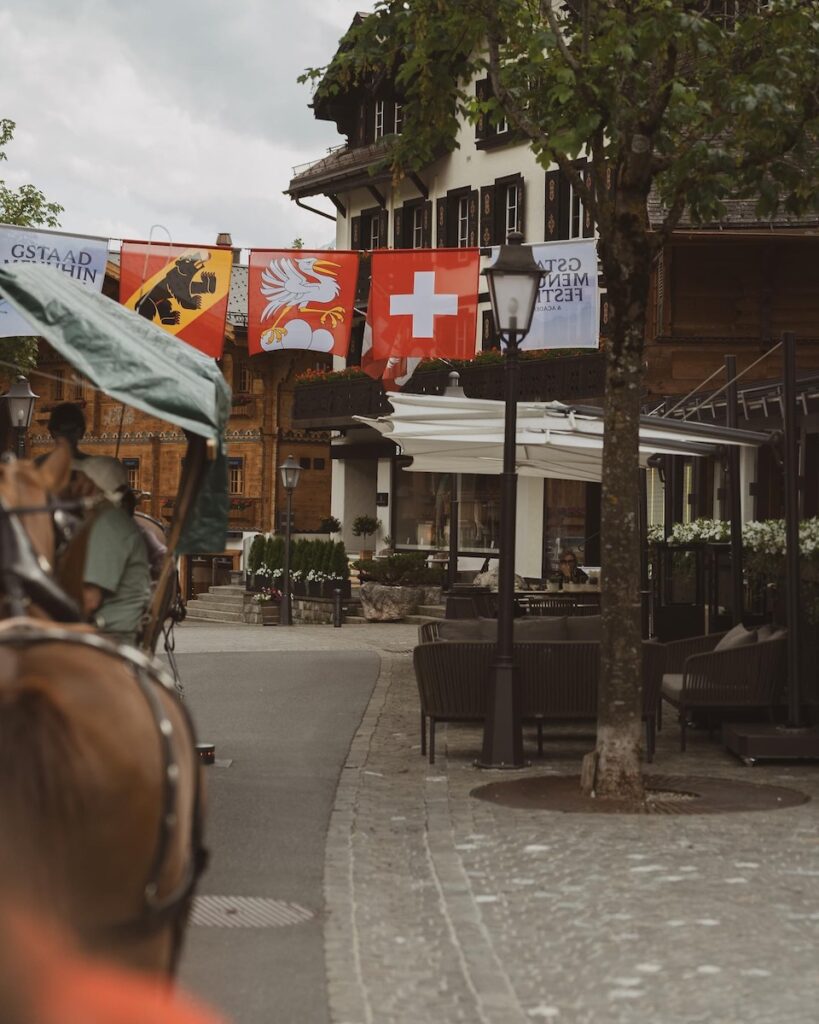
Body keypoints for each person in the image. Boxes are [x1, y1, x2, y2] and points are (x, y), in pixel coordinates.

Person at [74, 456, 151, 646]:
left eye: (78, 480)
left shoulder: (108, 524)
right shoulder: (110, 520)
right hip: (112, 628)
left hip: (109, 634)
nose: (73, 488)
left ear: (91, 487)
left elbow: (89, 599)